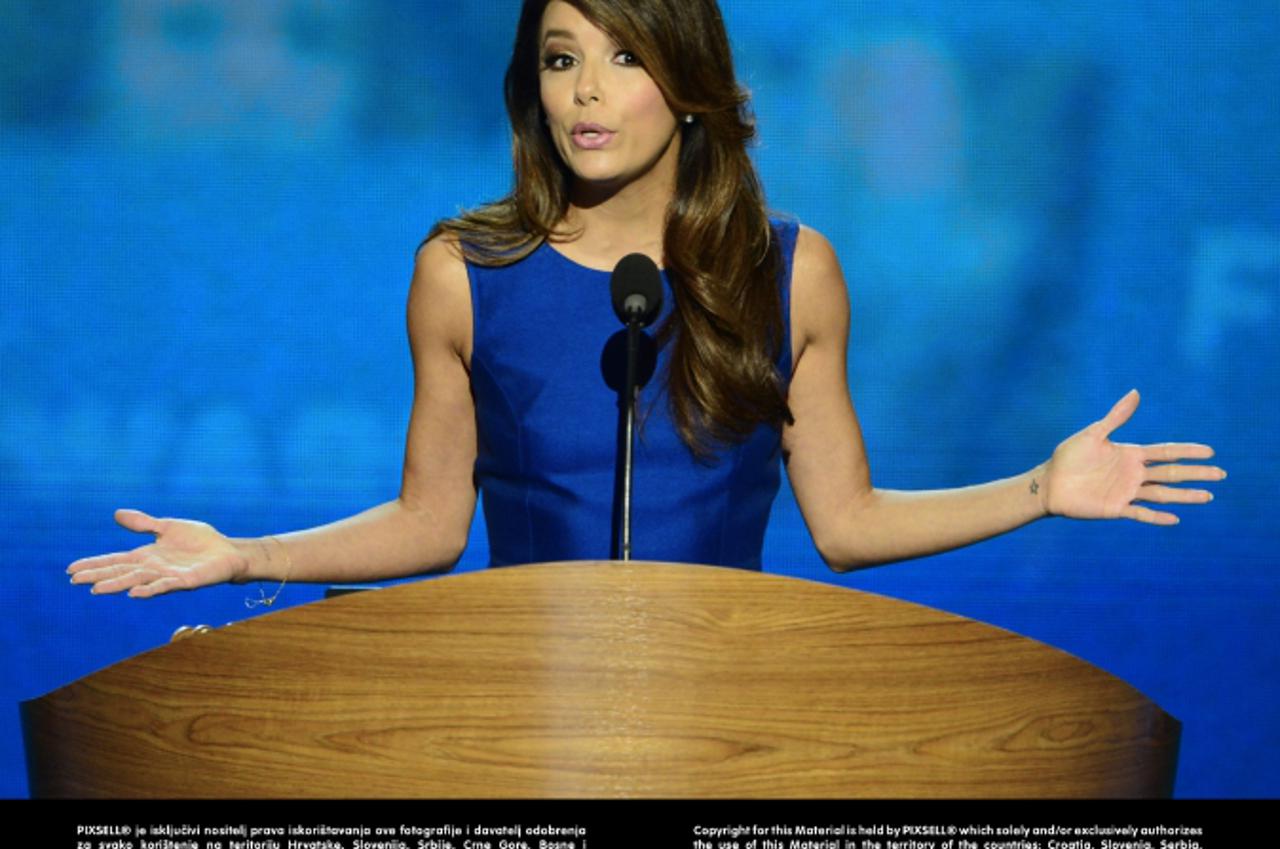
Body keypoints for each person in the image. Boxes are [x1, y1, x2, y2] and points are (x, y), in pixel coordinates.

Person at [68, 0, 1224, 599]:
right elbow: (428, 526)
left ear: (685, 83)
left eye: (622, 57)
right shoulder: (462, 273)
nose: (586, 90)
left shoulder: (793, 271)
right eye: (561, 56)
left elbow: (846, 523)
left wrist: (1037, 486)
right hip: (523, 707)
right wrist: (244, 554)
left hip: (724, 705)